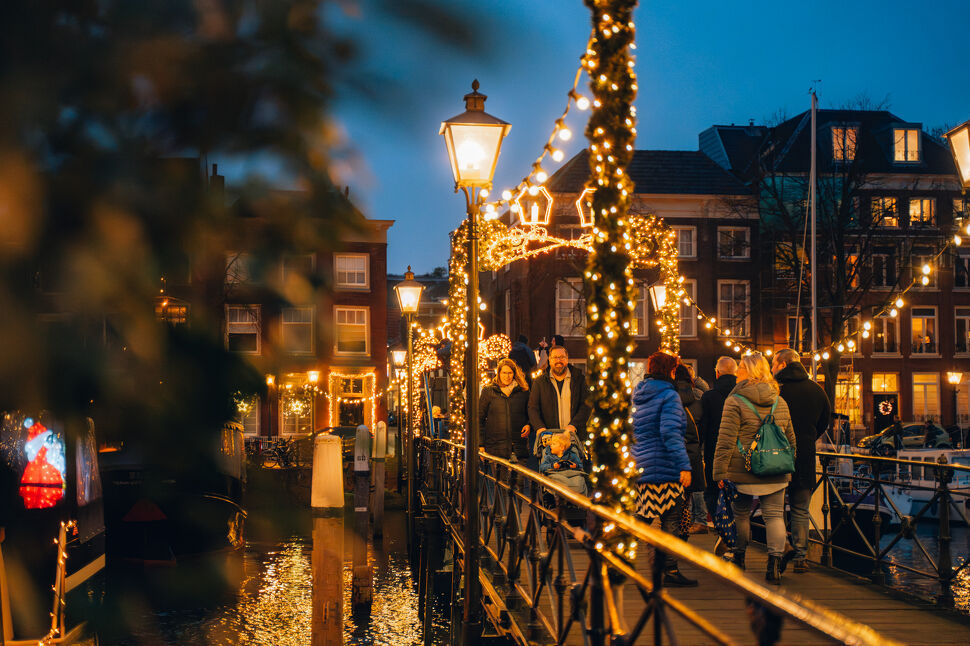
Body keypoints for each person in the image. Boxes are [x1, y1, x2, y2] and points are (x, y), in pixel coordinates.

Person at [713, 352, 797, 584]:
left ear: (748, 371)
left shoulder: (735, 400)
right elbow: (790, 439)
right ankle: (774, 565)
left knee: (741, 514)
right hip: (776, 469)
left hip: (743, 469)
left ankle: (739, 556)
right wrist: (788, 462)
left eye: (741, 366)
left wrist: (719, 471)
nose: (738, 370)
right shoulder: (780, 401)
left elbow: (726, 440)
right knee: (774, 517)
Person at [631, 351, 696, 587]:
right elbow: (670, 433)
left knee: (643, 516)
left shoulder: (639, 393)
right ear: (669, 371)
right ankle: (669, 569)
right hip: (665, 467)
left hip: (643, 464)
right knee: (672, 518)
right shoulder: (669, 396)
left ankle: (616, 557)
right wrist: (684, 466)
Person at [771, 348, 830, 574]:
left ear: (783, 364)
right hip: (805, 454)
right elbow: (824, 420)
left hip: (776, 453)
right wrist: (808, 437)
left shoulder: (775, 391)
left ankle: (778, 552)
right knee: (801, 508)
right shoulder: (816, 390)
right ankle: (801, 557)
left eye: (774, 364)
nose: (772, 368)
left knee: (775, 507)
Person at [528, 344, 590, 469]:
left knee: (576, 472)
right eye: (555, 357)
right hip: (550, 440)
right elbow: (533, 408)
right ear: (549, 360)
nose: (559, 361)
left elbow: (586, 405)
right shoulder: (540, 382)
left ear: (567, 359)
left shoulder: (579, 380)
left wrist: (574, 425)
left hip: (573, 437)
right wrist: (540, 428)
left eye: (562, 357)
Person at [699, 357, 738, 520]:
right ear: (736, 373)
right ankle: (737, 530)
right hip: (739, 453)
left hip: (713, 453)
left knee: (713, 493)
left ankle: (721, 527)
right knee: (738, 496)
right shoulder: (741, 395)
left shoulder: (709, 397)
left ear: (717, 373)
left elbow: (703, 428)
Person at [673, 363, 707, 536]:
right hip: (692, 454)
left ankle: (674, 534)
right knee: (687, 497)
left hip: (672, 456)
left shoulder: (667, 399)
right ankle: (685, 530)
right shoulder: (699, 401)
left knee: (672, 502)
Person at [479, 358, 531, 461]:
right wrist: (480, 444)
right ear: (498, 373)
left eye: (509, 373)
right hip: (495, 448)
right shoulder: (489, 391)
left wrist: (529, 424)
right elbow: (479, 419)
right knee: (499, 477)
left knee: (520, 477)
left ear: (514, 374)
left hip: (518, 448)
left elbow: (531, 413)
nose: (507, 376)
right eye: (504, 373)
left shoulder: (523, 392)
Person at [538, 430, 590, 496]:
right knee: (556, 480)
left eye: (553, 444)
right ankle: (568, 493)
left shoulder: (571, 455)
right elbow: (542, 467)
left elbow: (580, 465)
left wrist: (575, 466)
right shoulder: (549, 457)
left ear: (561, 447)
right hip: (556, 474)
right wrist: (552, 466)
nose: (550, 446)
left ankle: (574, 494)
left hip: (572, 474)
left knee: (579, 480)